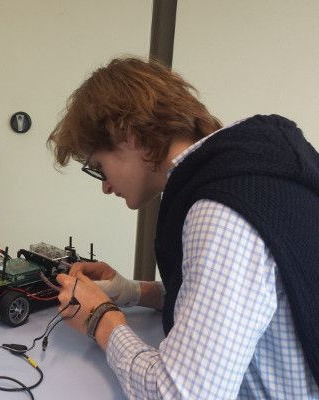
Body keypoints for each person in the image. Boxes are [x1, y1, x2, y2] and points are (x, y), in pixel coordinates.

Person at [47, 57, 319, 398]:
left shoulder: (221, 211)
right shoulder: (252, 167)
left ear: (126, 134)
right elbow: (238, 301)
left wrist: (99, 317)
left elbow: (181, 393)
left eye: (99, 167)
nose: (105, 185)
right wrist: (133, 292)